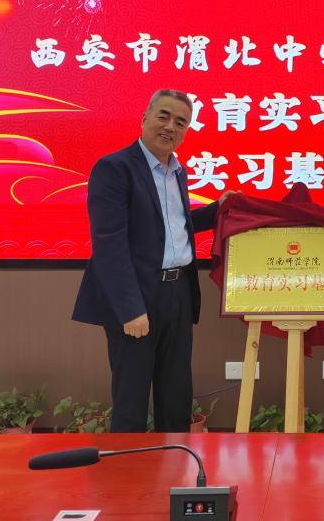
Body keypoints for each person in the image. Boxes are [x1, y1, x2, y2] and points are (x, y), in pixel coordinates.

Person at [72, 88, 232, 432]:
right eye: (163, 116)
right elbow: (109, 244)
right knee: (131, 399)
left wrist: (217, 210)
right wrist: (130, 309)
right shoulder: (115, 168)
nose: (170, 126)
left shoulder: (177, 171)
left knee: (176, 394)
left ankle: (174, 462)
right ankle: (128, 467)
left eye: (181, 122)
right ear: (145, 118)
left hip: (177, 293)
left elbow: (172, 225)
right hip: (137, 296)